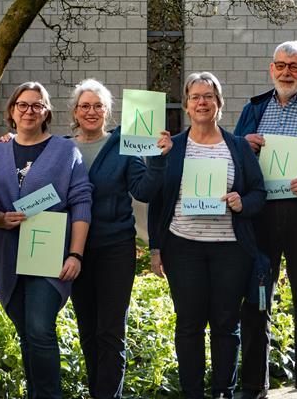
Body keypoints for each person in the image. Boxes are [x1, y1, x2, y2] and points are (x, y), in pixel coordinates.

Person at [147, 72, 266, 399]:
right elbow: (158, 200)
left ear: (219, 103)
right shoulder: (173, 147)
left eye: (208, 96)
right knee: (189, 325)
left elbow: (259, 193)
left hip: (231, 249)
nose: (202, 102)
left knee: (227, 325)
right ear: (186, 105)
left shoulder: (238, 147)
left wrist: (243, 202)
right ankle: (192, 393)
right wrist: (156, 249)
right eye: (196, 97)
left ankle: (223, 393)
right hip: (183, 248)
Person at [234, 41, 297, 399]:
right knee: (257, 297)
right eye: (280, 65)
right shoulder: (254, 107)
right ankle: (253, 385)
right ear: (271, 68)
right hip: (261, 214)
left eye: (294, 66)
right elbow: (232, 154)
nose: (286, 72)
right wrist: (243, 143)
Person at [0, 81, 93, 398]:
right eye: (23, 105)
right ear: (12, 111)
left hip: (48, 255)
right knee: (25, 332)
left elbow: (81, 202)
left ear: (46, 112)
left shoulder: (65, 151)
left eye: (37, 105)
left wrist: (75, 255)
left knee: (40, 329)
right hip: (8, 255)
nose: (29, 111)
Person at [66, 79, 171, 398]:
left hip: (116, 248)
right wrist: (8, 141)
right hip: (75, 251)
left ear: (108, 112)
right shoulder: (62, 148)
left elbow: (143, 190)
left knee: (110, 332)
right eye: (85, 105)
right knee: (88, 331)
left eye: (98, 106)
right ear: (75, 111)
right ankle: (99, 391)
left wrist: (158, 158)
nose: (91, 111)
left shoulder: (125, 145)